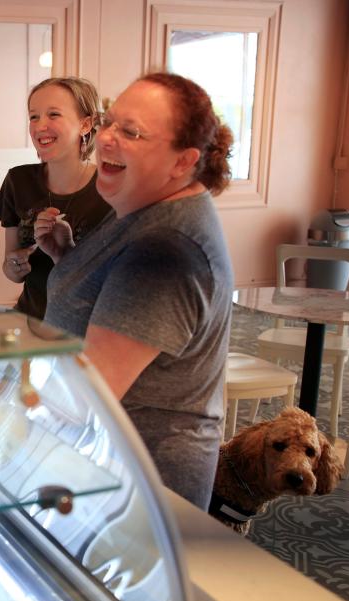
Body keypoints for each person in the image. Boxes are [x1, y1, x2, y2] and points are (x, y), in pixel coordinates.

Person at [34, 72, 235, 509]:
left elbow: (87, 394)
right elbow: (106, 298)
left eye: (132, 132)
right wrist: (67, 258)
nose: (107, 138)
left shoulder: (167, 250)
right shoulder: (139, 202)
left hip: (140, 487)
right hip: (101, 466)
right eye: (110, 122)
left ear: (182, 161)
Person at [0, 77, 110, 319]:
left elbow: (115, 281)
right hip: (30, 322)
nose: (39, 126)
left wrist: (65, 253)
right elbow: (12, 270)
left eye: (53, 114)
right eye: (34, 116)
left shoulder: (110, 189)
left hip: (86, 331)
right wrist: (15, 266)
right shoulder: (18, 180)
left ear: (85, 125)